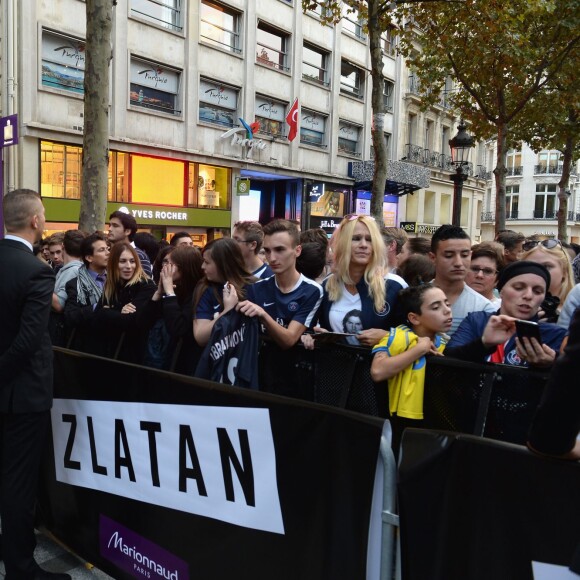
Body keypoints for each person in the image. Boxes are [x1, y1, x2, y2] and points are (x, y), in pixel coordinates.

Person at [0, 189, 70, 579]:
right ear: (34, 222)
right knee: (19, 481)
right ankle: (21, 566)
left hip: (12, 387)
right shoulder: (36, 271)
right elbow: (29, 340)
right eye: (42, 214)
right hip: (24, 393)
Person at [237, 219, 323, 396]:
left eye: (280, 250)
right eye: (267, 251)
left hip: (297, 379)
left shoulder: (312, 290)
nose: (272, 258)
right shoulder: (256, 288)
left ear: (297, 250)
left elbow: (288, 339)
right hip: (260, 375)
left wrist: (262, 314)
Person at [305, 215, 406, 348]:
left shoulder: (394, 285)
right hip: (335, 366)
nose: (363, 245)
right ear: (343, 243)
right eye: (356, 238)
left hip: (377, 366)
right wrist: (316, 336)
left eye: (369, 240)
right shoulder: (328, 284)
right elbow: (310, 329)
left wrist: (387, 336)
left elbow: (415, 334)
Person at [446, 261, 567, 367]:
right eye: (519, 288)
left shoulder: (555, 334)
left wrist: (549, 366)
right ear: (501, 291)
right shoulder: (477, 320)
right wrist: (483, 344)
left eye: (537, 291)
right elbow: (448, 359)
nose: (529, 296)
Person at [370, 284, 452, 420]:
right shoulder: (396, 337)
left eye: (447, 304)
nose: (447, 311)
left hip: (435, 422)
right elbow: (378, 371)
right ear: (414, 318)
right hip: (398, 421)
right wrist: (420, 349)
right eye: (436, 307)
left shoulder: (446, 343)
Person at [143, 245, 204, 374]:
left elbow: (178, 328)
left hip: (183, 366)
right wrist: (158, 294)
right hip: (159, 361)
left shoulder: (197, 293)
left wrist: (170, 293)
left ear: (185, 267)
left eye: (171, 264)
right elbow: (144, 322)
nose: (165, 268)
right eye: (165, 262)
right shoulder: (168, 288)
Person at [92, 242, 156, 363]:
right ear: (113, 264)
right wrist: (118, 311)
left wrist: (108, 310)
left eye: (132, 261)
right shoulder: (111, 286)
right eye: (123, 261)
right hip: (109, 355)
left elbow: (132, 321)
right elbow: (96, 317)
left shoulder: (146, 286)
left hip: (135, 359)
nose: (128, 266)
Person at [430, 224, 495, 336]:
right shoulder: (414, 298)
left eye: (464, 255)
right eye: (449, 255)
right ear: (433, 258)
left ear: (471, 256)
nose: (458, 263)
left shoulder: (483, 308)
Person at [193, 238, 255, 348]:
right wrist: (227, 311)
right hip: (216, 360)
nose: (202, 266)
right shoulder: (205, 288)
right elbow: (200, 336)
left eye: (207, 262)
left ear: (224, 264)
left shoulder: (255, 286)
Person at [63, 232, 110, 352]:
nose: (108, 253)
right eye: (102, 250)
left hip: (112, 346)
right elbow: (71, 316)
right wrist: (97, 307)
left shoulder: (116, 280)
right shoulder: (75, 284)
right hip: (87, 348)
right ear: (89, 258)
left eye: (107, 249)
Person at [521, 238, 575, 321]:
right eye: (531, 266)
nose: (538, 272)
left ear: (564, 271)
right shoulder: (512, 308)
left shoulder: (575, 309)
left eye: (546, 266)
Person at [107, 210, 153, 278]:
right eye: (110, 225)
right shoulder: (107, 253)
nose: (110, 229)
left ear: (127, 231)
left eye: (115, 226)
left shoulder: (139, 256)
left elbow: (146, 285)